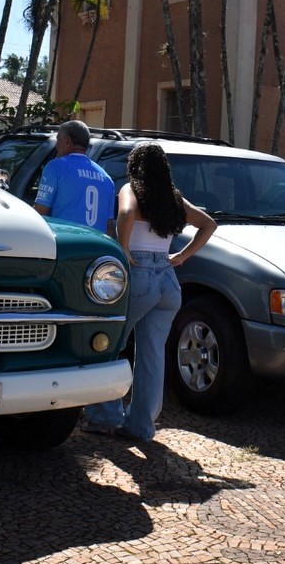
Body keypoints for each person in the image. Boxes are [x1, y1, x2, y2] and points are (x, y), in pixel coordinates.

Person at [82, 142, 216, 442]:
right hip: (168, 281)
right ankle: (142, 427)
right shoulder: (174, 198)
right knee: (153, 355)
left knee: (109, 345)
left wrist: (123, 249)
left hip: (139, 273)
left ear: (135, 167)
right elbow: (209, 225)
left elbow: (127, 213)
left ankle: (106, 417)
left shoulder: (132, 189)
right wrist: (182, 257)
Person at [34, 120, 115, 234]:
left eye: (58, 139)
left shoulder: (55, 166)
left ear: (67, 141)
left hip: (67, 244)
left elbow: (40, 213)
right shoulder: (107, 178)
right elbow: (109, 227)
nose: (56, 146)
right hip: (96, 247)